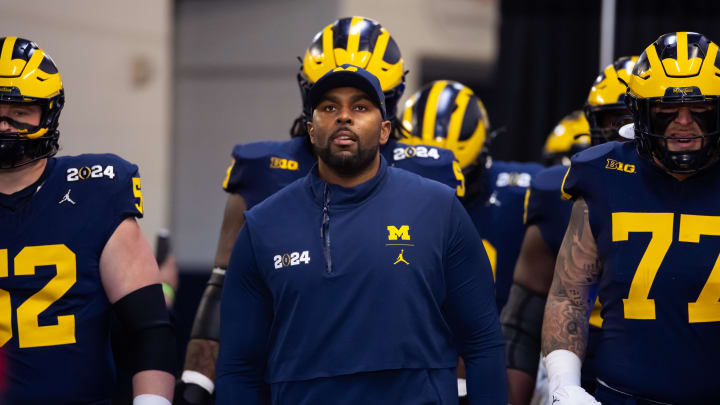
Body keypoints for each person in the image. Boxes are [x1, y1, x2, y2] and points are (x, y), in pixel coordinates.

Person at [176, 17, 464, 404]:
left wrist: (464, 387)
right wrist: (197, 379)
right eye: (330, 101)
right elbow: (223, 286)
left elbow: (457, 300)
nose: (344, 116)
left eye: (359, 102)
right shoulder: (263, 167)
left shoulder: (428, 173)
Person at [215, 65, 506, 404]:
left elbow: (483, 342)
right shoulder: (264, 225)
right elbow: (238, 368)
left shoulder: (439, 208)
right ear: (311, 130)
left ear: (385, 131)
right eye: (329, 108)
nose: (343, 117)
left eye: (360, 107)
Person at [542, 31, 720, 404]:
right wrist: (565, 383)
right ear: (639, 111)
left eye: (701, 109)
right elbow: (569, 294)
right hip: (622, 395)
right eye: (665, 110)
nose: (683, 122)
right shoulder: (604, 173)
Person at [0, 37, 175, 404]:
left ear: (47, 114)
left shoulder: (95, 190)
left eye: (19, 111)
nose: (5, 125)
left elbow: (148, 327)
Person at [501, 56, 636, 405]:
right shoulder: (561, 191)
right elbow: (523, 321)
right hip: (581, 356)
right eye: (616, 120)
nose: (628, 131)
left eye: (638, 118)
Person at [401, 80, 543, 312]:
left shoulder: (522, 190)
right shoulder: (378, 192)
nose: (442, 197)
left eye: (457, 180)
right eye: (423, 178)